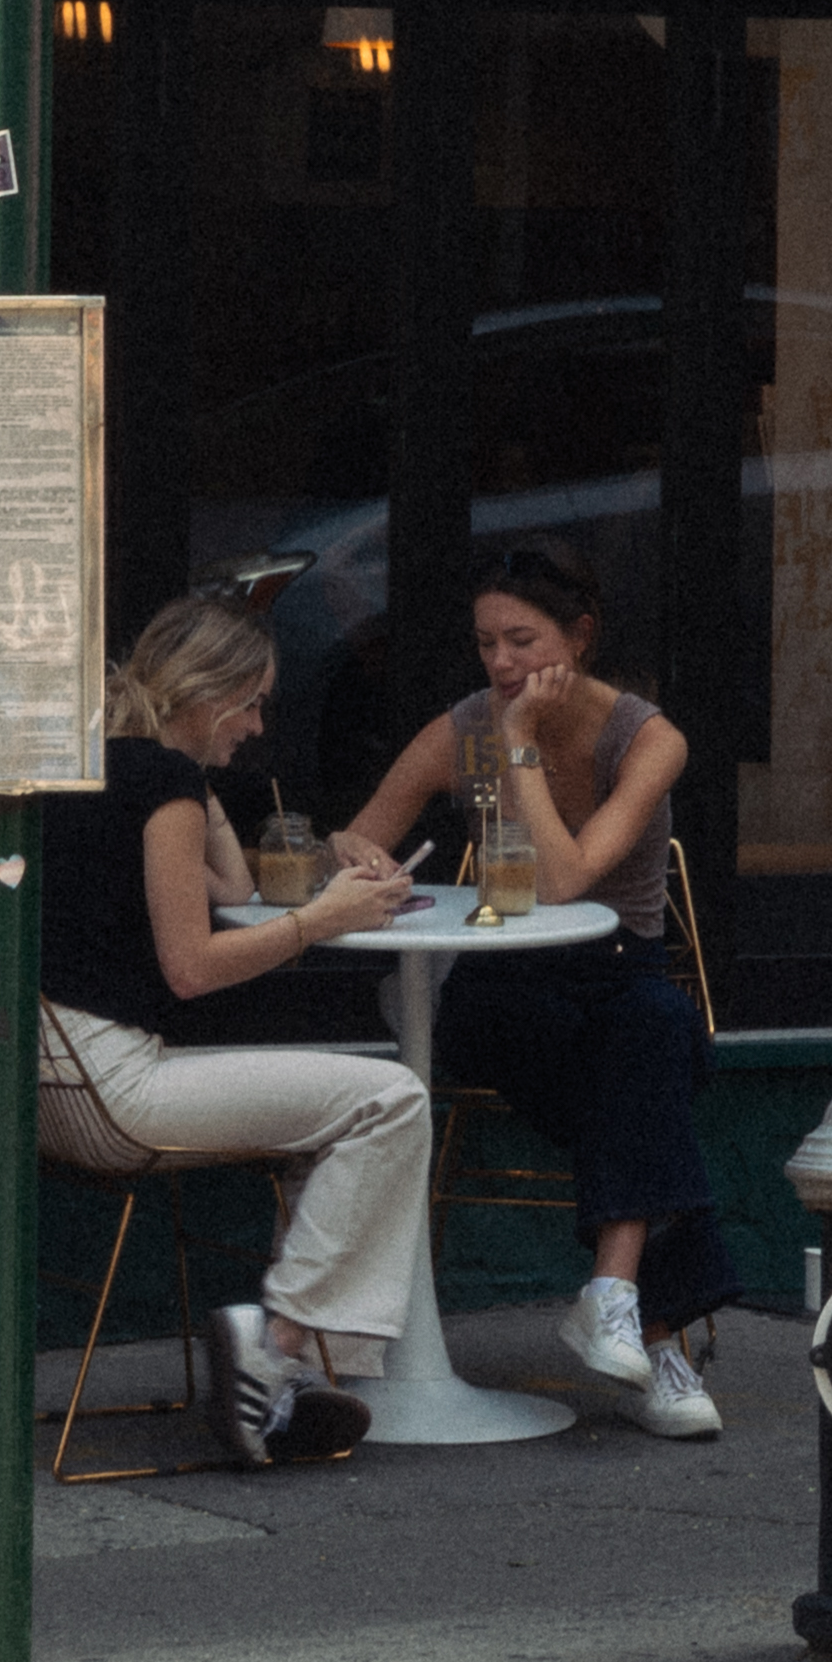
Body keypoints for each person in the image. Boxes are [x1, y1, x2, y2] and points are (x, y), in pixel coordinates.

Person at [338, 536, 735, 1438]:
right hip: (501, 981)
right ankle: (647, 1327)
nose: (502, 663)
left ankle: (619, 1297)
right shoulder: (465, 725)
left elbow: (568, 882)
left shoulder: (647, 738)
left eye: (522, 640)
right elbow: (357, 835)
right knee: (652, 1059)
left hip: (614, 967)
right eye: (486, 644)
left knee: (650, 1028)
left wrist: (516, 751)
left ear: (580, 635)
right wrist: (361, 859)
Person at [41, 591, 435, 1467]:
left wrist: (196, 768)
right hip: (114, 1086)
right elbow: (191, 964)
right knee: (391, 1099)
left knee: (330, 1124)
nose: (259, 726)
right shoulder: (156, 781)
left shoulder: (109, 765)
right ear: (204, 692)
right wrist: (322, 921)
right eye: (250, 703)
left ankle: (288, 1375)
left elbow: (224, 889)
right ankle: (277, 1349)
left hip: (48, 1082)